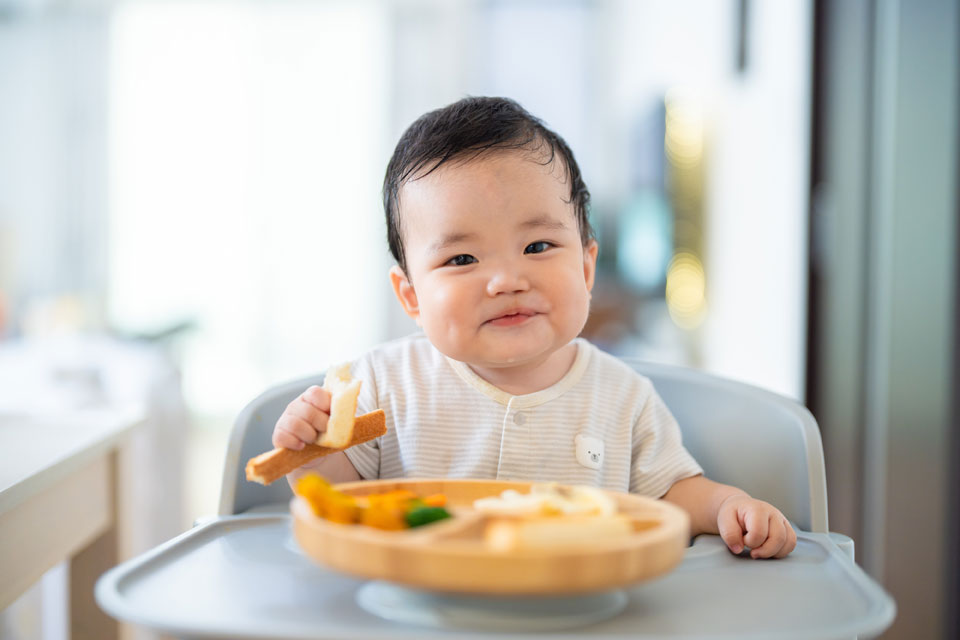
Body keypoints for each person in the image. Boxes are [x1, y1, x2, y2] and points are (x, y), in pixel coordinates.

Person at [272, 96, 796, 559]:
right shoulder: (382, 385)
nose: (506, 280)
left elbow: (671, 493)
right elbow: (345, 509)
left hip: (579, 616)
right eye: (462, 258)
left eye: (538, 247)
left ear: (587, 269)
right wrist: (313, 454)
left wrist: (729, 505)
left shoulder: (622, 397)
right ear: (411, 296)